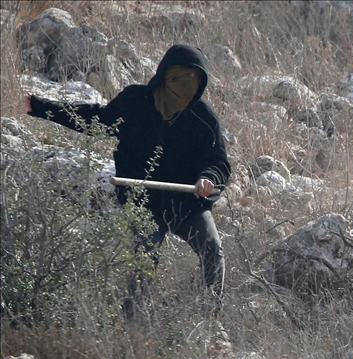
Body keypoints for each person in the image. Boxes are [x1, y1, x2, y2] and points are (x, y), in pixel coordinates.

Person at [25, 44, 231, 319]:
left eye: (193, 79)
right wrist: (41, 107)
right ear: (164, 76)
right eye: (178, 77)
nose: (186, 85)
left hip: (187, 204)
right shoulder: (135, 101)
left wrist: (208, 178)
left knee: (212, 251)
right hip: (142, 203)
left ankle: (211, 319)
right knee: (143, 260)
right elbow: (96, 119)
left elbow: (219, 162)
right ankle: (132, 324)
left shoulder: (203, 118)